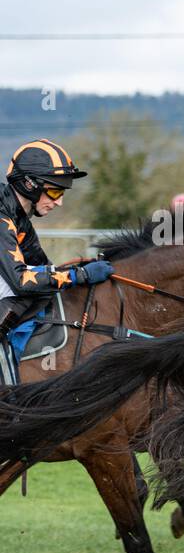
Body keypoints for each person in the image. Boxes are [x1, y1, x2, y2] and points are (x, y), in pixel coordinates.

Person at [1, 140, 114, 382]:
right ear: (30, 184)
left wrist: (76, 269)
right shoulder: (3, 216)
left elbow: (44, 269)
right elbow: (22, 281)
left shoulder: (19, 219)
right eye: (54, 192)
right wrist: (78, 276)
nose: (59, 202)